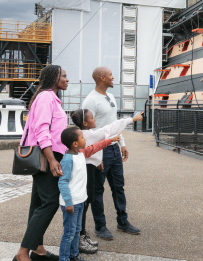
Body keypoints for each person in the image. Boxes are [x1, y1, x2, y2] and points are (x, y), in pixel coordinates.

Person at [14, 65, 69, 261]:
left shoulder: (49, 98)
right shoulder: (46, 97)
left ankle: (37, 248)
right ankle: (22, 253)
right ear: (54, 78)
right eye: (63, 76)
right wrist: (53, 159)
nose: (67, 79)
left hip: (47, 155)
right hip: (47, 156)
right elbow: (41, 130)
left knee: (38, 202)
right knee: (50, 201)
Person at [70, 109, 144, 254]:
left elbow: (91, 149)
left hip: (90, 168)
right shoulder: (89, 134)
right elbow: (110, 129)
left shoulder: (82, 133)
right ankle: (79, 238)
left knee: (85, 203)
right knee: (84, 204)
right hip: (87, 171)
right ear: (85, 122)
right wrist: (132, 119)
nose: (94, 119)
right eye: (92, 118)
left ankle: (82, 234)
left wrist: (99, 158)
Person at [82, 67, 139, 240]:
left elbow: (114, 124)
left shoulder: (111, 97)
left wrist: (122, 143)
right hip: (100, 150)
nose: (113, 77)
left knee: (118, 187)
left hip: (114, 149)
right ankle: (100, 227)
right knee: (98, 190)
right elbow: (86, 132)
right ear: (102, 78)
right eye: (110, 75)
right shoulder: (90, 101)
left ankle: (123, 222)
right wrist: (95, 156)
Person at [57, 127, 119, 261]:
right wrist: (68, 202)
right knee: (69, 233)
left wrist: (110, 140)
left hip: (80, 201)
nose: (86, 140)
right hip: (71, 203)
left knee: (76, 231)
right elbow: (63, 182)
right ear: (75, 143)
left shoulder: (81, 153)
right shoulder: (67, 160)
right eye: (82, 138)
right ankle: (64, 258)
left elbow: (95, 147)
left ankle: (74, 255)